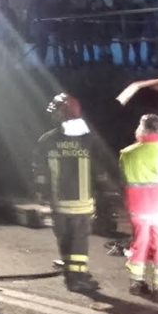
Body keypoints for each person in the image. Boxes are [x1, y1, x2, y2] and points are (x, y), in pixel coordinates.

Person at [33, 93, 112, 293]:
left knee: (65, 239)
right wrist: (106, 193)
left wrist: (42, 193)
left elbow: (39, 171)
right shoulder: (89, 140)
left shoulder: (47, 140)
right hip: (82, 203)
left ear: (61, 114)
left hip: (58, 203)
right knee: (79, 241)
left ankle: (72, 275)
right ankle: (77, 278)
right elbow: (100, 171)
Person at [119, 114, 158, 298]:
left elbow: (124, 180)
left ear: (141, 129)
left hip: (139, 208)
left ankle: (136, 282)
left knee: (139, 244)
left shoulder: (127, 153)